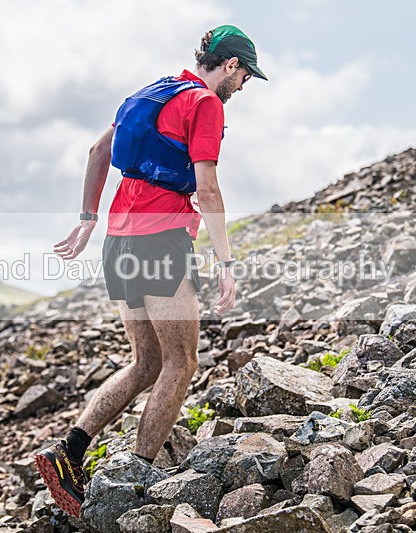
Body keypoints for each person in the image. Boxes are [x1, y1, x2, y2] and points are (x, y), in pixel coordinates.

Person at [34, 24, 267, 518]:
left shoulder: (149, 93)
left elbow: (98, 153)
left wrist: (86, 220)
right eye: (244, 75)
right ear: (229, 65)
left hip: (118, 242)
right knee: (181, 364)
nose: (243, 86)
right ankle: (135, 478)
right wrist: (226, 262)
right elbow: (206, 190)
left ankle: (68, 453)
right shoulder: (206, 104)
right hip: (160, 241)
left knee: (145, 364)